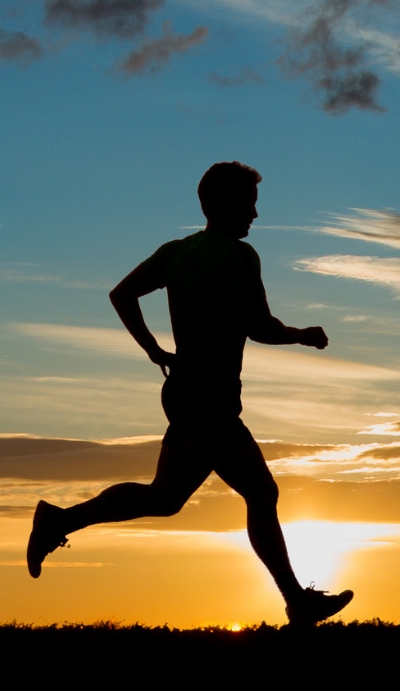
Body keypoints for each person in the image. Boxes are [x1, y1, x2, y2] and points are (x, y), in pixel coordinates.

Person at [25, 161, 354, 627]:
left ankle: (58, 522)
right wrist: (303, 335)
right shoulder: (240, 256)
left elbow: (122, 294)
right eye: (250, 203)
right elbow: (258, 326)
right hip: (210, 397)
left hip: (188, 390)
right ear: (225, 204)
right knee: (231, 494)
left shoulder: (176, 252)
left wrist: (154, 350)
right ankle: (57, 523)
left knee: (191, 496)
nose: (256, 215)